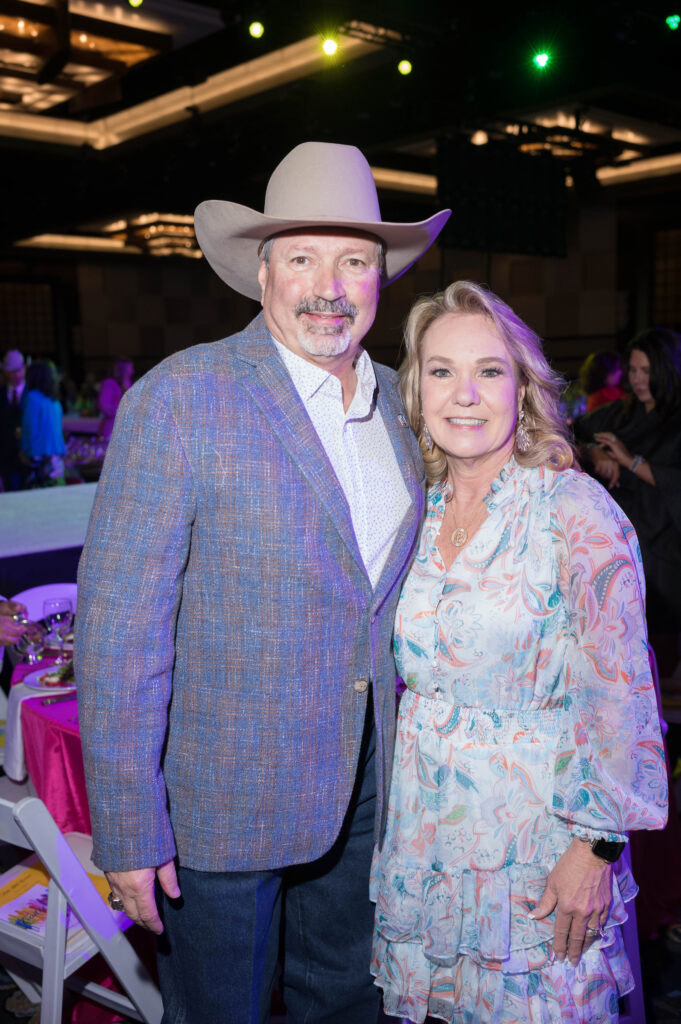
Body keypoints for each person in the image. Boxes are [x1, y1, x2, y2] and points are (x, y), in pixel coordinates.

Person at [75, 141, 451, 1024]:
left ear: (380, 279)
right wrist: (128, 829)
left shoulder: (406, 407)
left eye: (353, 260)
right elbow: (120, 627)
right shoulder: (181, 398)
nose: (330, 285)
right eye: (304, 259)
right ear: (262, 271)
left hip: (369, 794)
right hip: (220, 809)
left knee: (349, 1007)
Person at [370, 281, 667, 1023]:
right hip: (426, 830)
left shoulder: (571, 510)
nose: (464, 394)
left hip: (535, 837)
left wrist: (593, 850)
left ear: (522, 388)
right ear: (415, 389)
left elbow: (621, 690)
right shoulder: (416, 505)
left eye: (488, 371)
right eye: (441, 371)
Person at [573, 328, 681, 660]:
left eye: (646, 371)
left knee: (656, 643)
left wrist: (628, 460)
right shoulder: (621, 410)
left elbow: (674, 478)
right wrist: (597, 453)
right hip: (618, 536)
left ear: (666, 368)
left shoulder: (677, 417)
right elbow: (568, 432)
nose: (637, 379)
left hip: (662, 542)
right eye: (632, 370)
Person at [20, 360, 65, 488]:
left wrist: (23, 449)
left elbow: (29, 429)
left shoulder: (32, 398)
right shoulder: (54, 401)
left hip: (38, 454)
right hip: (56, 455)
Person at [0, 349, 27, 491]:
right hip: (6, 457)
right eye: (12, 371)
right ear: (5, 372)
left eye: (19, 370)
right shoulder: (1, 393)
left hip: (28, 456)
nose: (16, 375)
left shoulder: (32, 393)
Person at [97, 357, 134, 440]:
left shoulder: (128, 383)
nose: (132, 371)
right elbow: (104, 407)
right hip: (112, 431)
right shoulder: (109, 384)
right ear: (122, 369)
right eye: (130, 368)